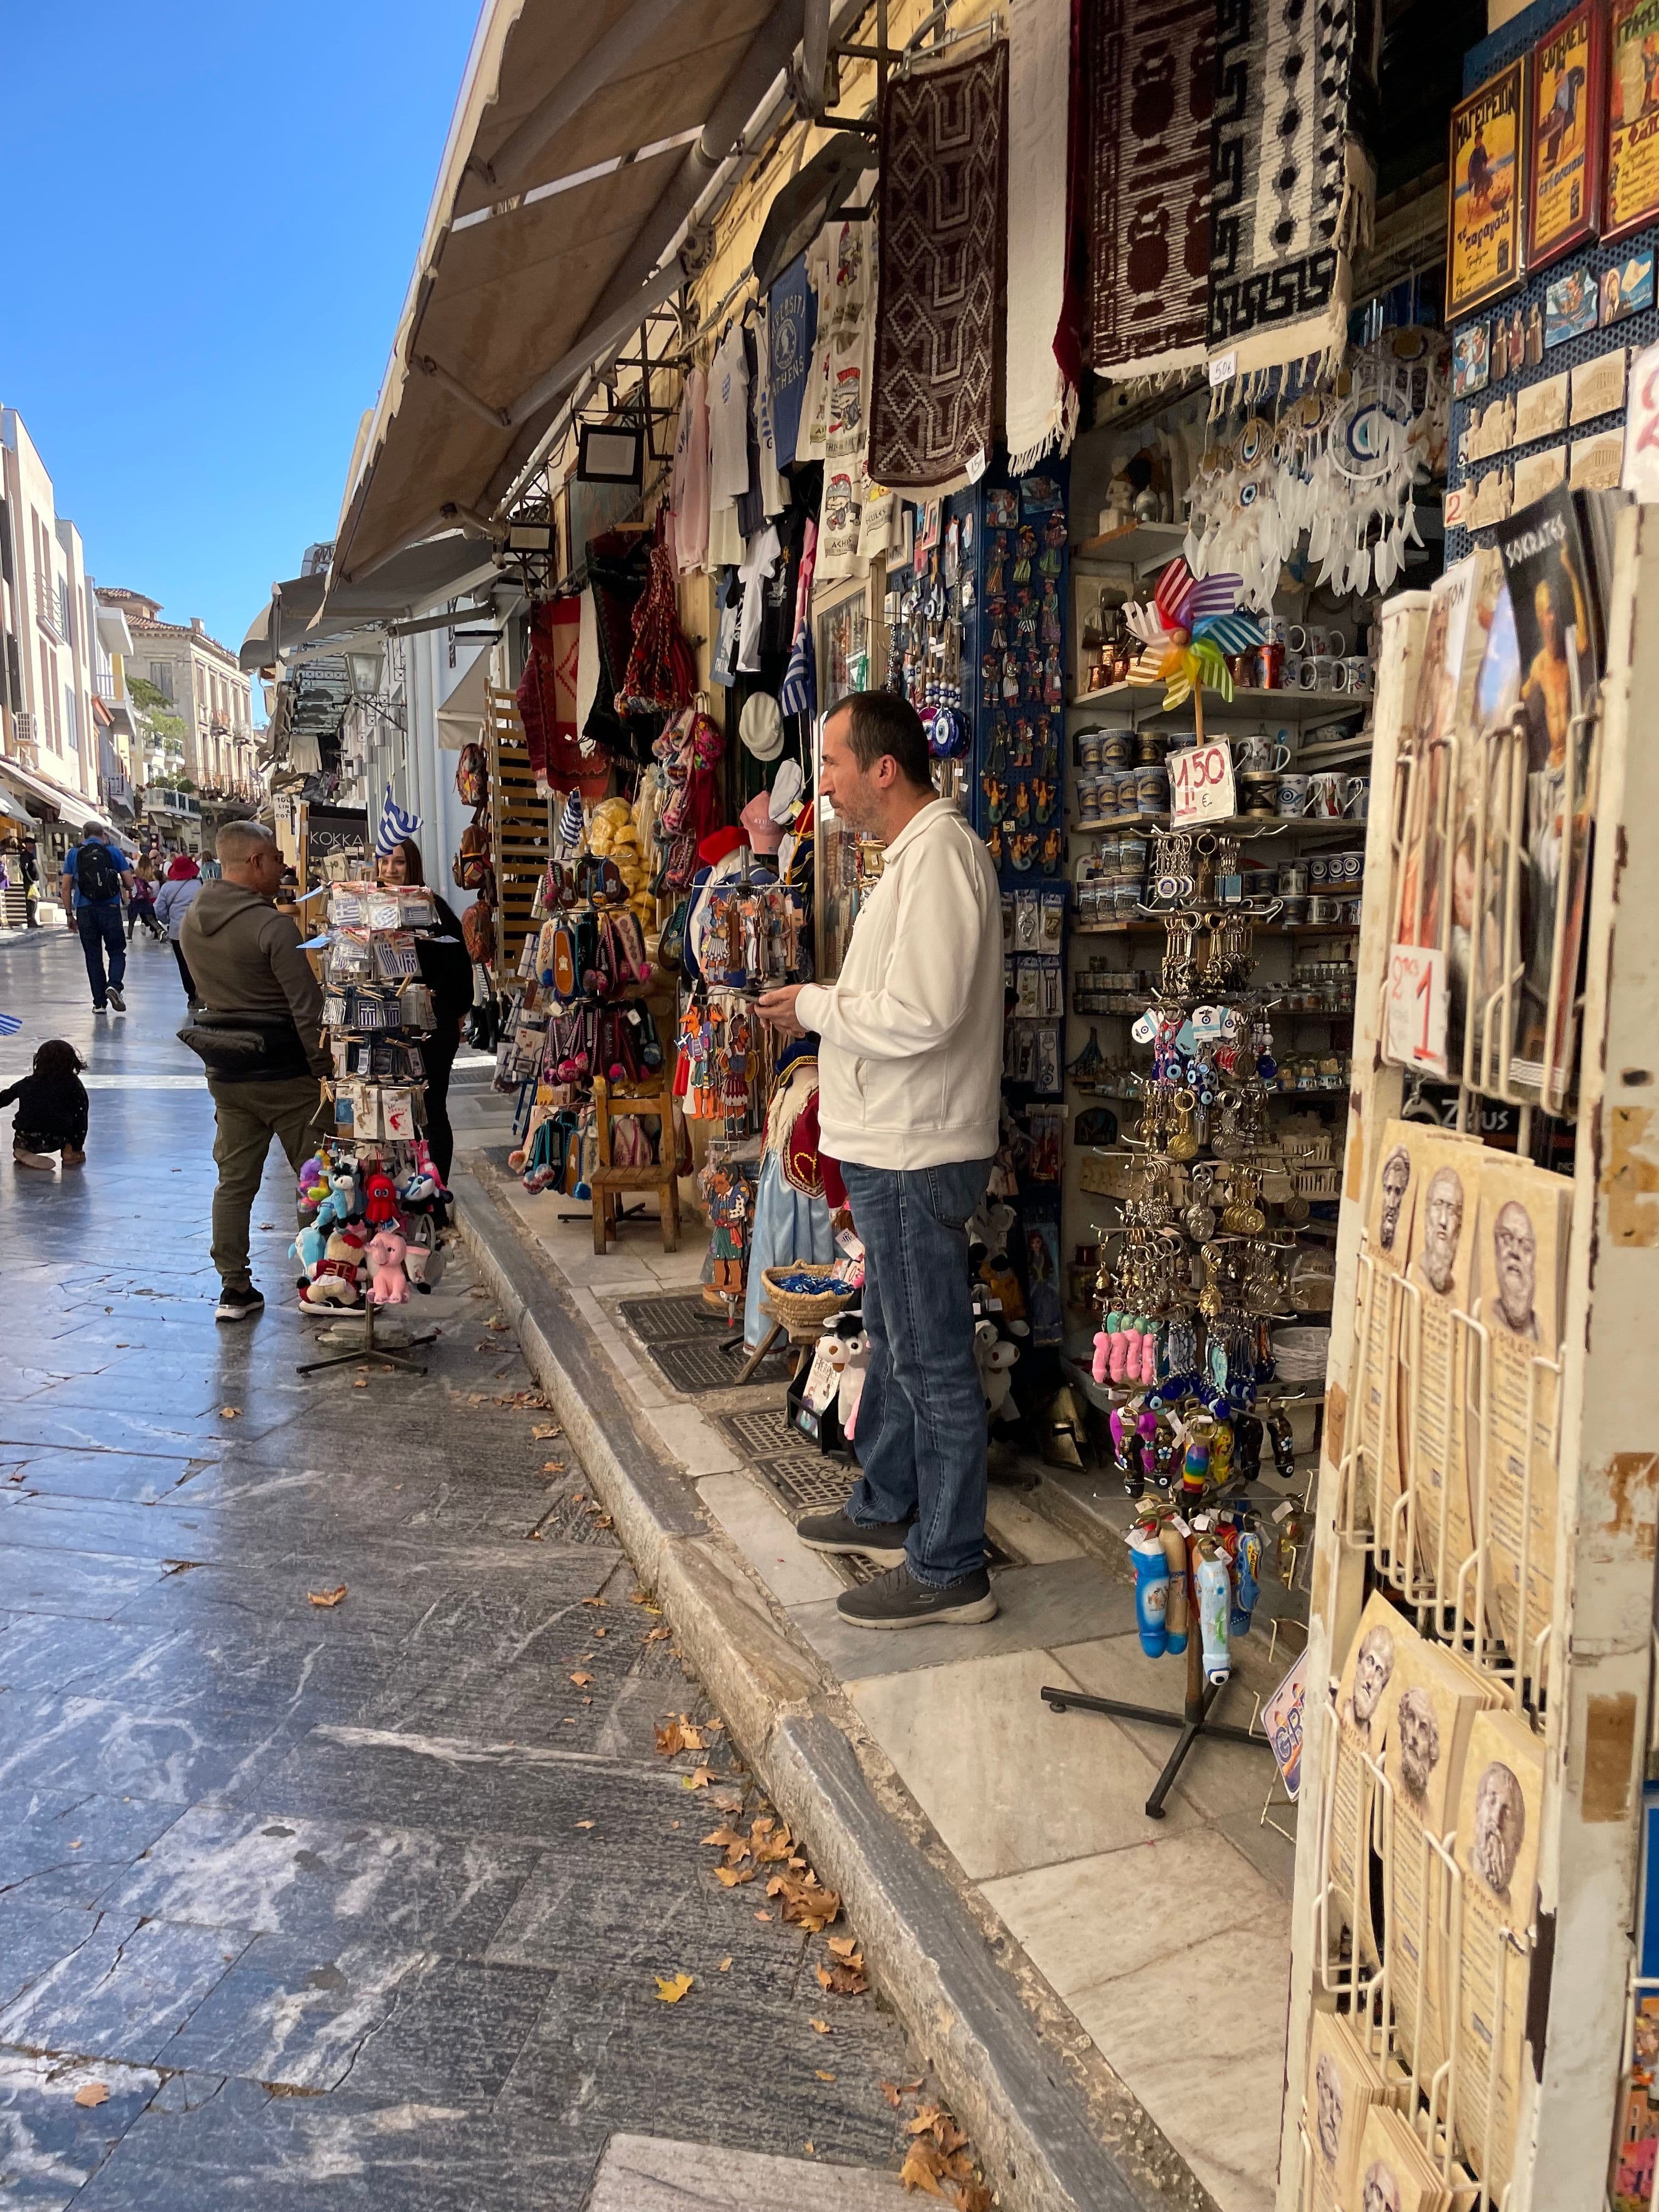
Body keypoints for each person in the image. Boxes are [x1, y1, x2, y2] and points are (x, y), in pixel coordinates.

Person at [757, 691, 1005, 1630]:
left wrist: (818, 1007)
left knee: (931, 1358)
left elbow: (923, 1013)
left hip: (914, 1152)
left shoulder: (939, 858)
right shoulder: (917, 858)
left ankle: (947, 1566)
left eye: (829, 764)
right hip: (892, 1147)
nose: (821, 783)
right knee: (898, 1345)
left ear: (881, 769)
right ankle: (890, 1500)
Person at [179, 820, 330, 1323]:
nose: (282, 866)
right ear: (253, 863)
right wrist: (324, 1069)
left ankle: (234, 1288)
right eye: (274, 858)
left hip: (229, 1071)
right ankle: (323, 1276)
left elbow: (200, 994)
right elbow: (305, 1009)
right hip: (286, 1073)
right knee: (315, 1177)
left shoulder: (190, 921)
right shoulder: (272, 927)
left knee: (234, 1182)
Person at [376, 836, 472, 1183]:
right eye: (384, 861)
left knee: (431, 1112)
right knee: (385, 1112)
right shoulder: (366, 910)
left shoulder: (435, 908)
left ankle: (436, 1192)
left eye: (399, 862)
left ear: (412, 865)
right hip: (381, 1029)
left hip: (431, 1029)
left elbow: (461, 968)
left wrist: (451, 1012)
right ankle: (392, 1191)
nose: (390, 870)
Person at [60, 831, 136, 1012]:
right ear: (103, 834)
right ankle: (115, 985)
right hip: (110, 909)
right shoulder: (114, 852)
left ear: (84, 835)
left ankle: (100, 1003)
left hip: (85, 911)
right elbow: (130, 883)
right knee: (117, 952)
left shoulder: (74, 853)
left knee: (93, 956)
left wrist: (70, 915)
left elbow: (65, 887)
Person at [1, 1038, 89, 1171]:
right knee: (75, 1119)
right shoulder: (73, 1086)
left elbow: (4, 1098)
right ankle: (69, 1151)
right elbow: (81, 1114)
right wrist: (78, 1145)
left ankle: (21, 1148)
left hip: (27, 1137)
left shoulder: (27, 1083)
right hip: (58, 1138)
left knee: (24, 1136)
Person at [155, 855, 203, 1004]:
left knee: (184, 964)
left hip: (177, 932)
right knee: (200, 963)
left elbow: (159, 909)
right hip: (198, 930)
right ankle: (203, 993)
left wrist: (167, 920)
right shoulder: (200, 885)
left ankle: (192, 997)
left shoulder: (167, 888)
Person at [126, 868, 162, 943]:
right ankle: (159, 931)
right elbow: (149, 890)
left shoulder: (129, 882)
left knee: (132, 921)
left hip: (134, 903)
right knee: (151, 919)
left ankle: (129, 937)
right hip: (145, 902)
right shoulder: (142, 880)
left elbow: (127, 895)